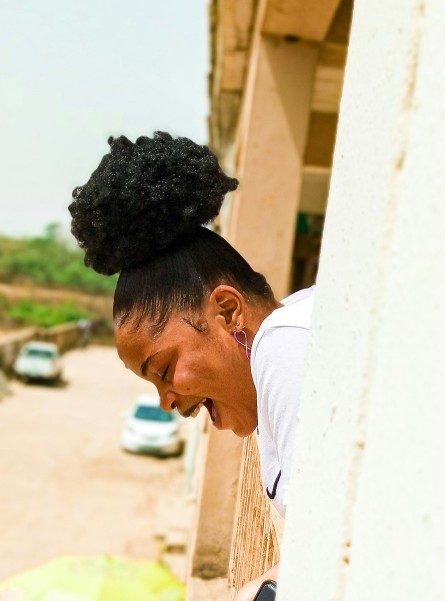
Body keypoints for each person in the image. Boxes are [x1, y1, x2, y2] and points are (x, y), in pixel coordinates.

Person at [69, 132, 314, 601]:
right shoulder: (285, 349)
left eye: (163, 370)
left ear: (226, 311)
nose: (168, 405)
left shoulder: (284, 346)